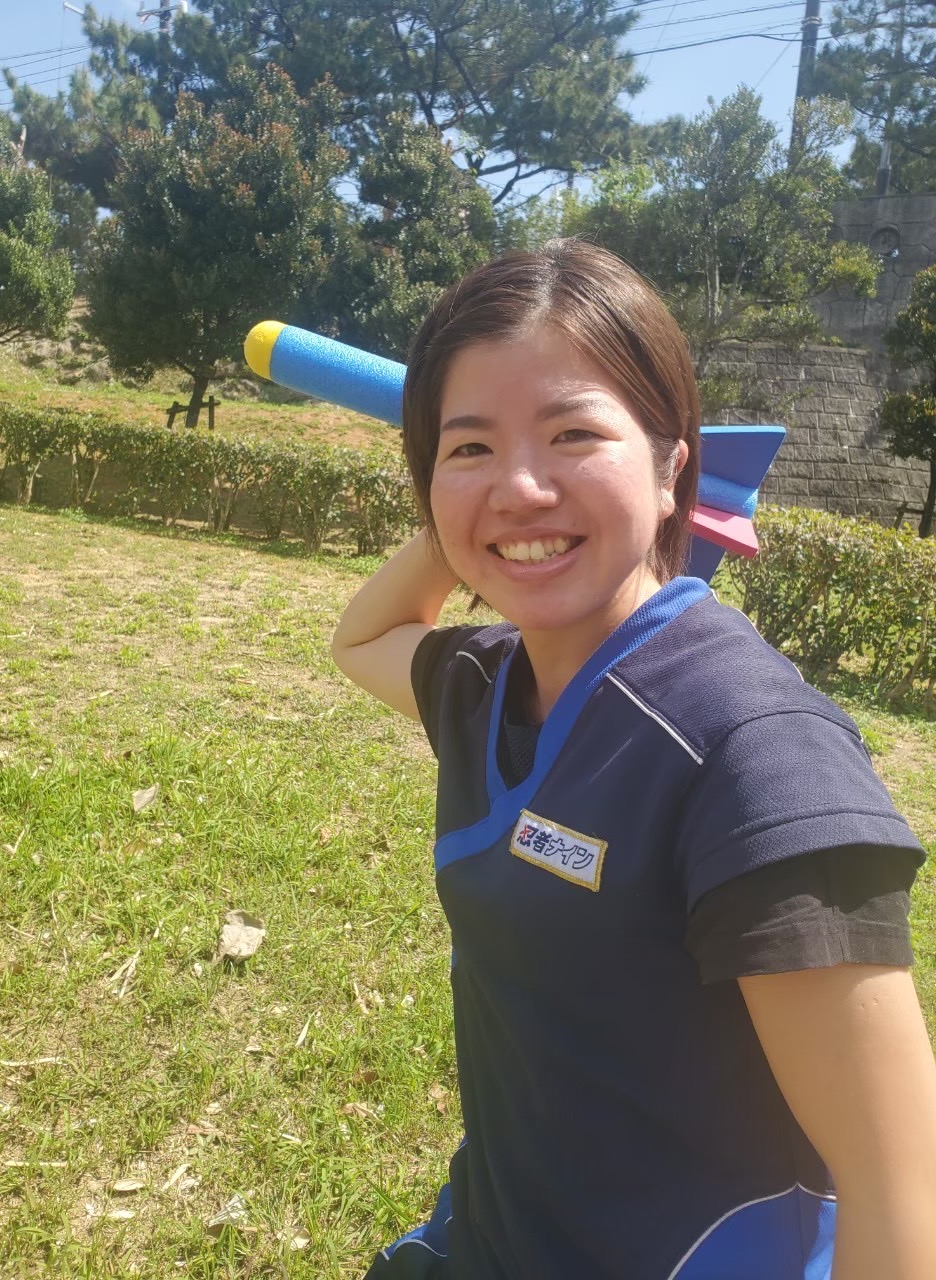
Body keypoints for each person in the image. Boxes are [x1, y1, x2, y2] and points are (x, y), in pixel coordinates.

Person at [331, 240, 936, 1280]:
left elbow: (901, 1186)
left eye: (574, 433)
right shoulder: (486, 684)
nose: (524, 482)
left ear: (671, 469)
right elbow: (363, 639)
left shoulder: (756, 755)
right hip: (495, 1236)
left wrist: (490, 485)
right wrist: (478, 506)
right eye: (468, 445)